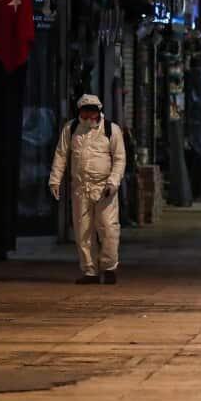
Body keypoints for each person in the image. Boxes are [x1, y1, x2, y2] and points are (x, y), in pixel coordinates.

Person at [48, 94, 127, 285]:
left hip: (104, 188)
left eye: (92, 112)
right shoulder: (71, 128)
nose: (89, 116)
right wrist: (54, 180)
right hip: (80, 188)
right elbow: (61, 155)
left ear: (98, 111)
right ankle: (90, 271)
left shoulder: (111, 130)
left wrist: (113, 183)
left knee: (108, 229)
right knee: (83, 231)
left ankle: (109, 268)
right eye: (85, 112)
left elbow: (119, 159)